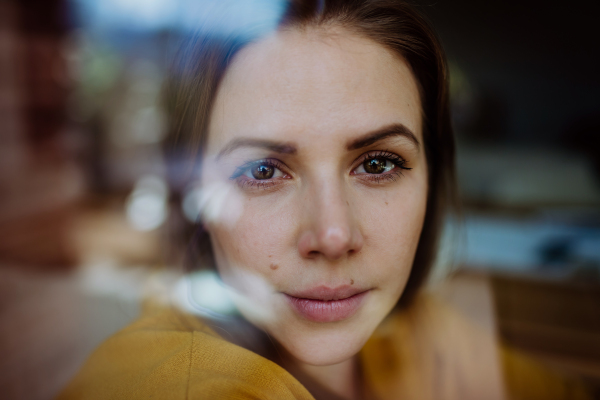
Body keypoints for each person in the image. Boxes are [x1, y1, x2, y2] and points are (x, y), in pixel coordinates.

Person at [58, 1, 593, 399]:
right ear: (197, 194)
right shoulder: (175, 383)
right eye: (263, 171)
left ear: (433, 174)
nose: (334, 235)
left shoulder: (419, 334)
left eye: (378, 164)